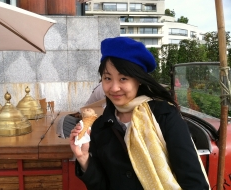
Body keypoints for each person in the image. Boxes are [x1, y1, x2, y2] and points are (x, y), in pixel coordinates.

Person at [69, 37, 210, 190]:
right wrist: (83, 158)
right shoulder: (100, 127)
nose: (114, 88)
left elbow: (193, 180)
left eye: (123, 78)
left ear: (139, 80)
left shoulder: (164, 115)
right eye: (107, 78)